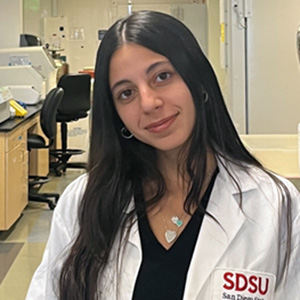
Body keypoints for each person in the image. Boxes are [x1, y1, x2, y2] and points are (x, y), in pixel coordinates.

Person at [26, 10, 300, 300]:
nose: (148, 102)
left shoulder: (275, 206)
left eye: (162, 76)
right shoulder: (84, 202)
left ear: (198, 80)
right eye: (126, 93)